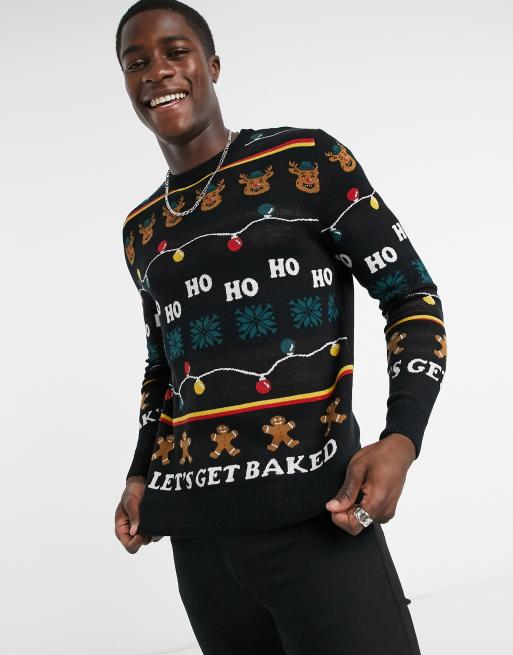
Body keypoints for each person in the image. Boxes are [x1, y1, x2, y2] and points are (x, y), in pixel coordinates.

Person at [113, 1, 447, 653]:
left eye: (176, 52)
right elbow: (164, 365)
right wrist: (139, 472)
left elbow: (410, 294)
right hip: (199, 542)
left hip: (317, 517)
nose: (157, 71)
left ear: (211, 65)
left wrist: (401, 438)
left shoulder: (305, 160)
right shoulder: (141, 228)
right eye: (136, 62)